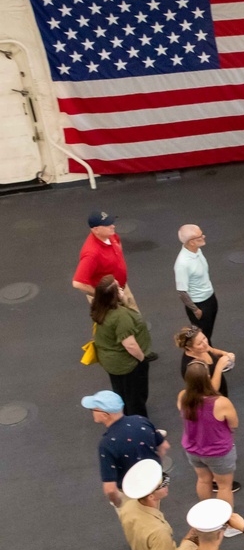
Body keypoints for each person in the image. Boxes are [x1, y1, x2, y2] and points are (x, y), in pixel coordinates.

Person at [178, 362, 244, 523]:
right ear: (207, 378)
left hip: (193, 450)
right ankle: (226, 524)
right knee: (224, 486)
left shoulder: (183, 397)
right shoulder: (220, 402)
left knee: (203, 480)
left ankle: (207, 518)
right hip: (218, 451)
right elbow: (234, 424)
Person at [82, 390, 168, 507]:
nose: (91, 412)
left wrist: (118, 503)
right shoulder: (141, 420)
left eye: (93, 409)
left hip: (131, 493)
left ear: (105, 415)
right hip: (154, 483)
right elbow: (164, 446)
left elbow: (110, 489)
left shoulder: (107, 444)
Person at [91, 275, 153, 417]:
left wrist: (122, 299)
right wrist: (142, 359)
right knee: (136, 398)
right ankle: (140, 428)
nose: (121, 289)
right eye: (118, 288)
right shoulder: (121, 316)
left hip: (111, 362)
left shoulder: (100, 308)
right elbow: (130, 345)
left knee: (122, 393)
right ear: (113, 296)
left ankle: (126, 418)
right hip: (128, 364)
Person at [73, 210, 139, 310]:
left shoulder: (110, 235)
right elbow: (78, 283)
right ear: (96, 230)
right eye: (108, 225)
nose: (113, 226)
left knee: (136, 319)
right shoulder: (92, 254)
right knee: (120, 324)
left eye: (111, 223)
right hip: (109, 300)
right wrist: (103, 296)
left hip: (122, 289)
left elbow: (118, 243)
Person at [175, 224, 218, 343]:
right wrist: (196, 310)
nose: (204, 236)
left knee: (207, 334)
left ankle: (208, 354)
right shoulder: (182, 264)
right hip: (199, 305)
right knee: (201, 337)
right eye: (200, 235)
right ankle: (202, 357)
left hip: (210, 298)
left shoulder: (197, 251)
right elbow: (181, 291)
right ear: (192, 242)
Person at [175, 325, 235, 398]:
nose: (205, 343)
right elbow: (209, 391)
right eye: (199, 343)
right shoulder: (192, 367)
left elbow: (212, 350)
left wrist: (225, 353)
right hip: (212, 402)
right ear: (189, 348)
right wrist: (219, 366)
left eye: (204, 338)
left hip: (221, 392)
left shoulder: (203, 348)